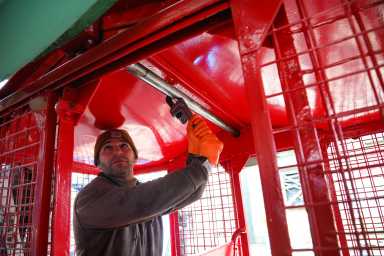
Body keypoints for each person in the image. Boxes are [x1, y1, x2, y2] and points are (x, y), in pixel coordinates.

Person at [73, 115, 223, 256]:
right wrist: (204, 165)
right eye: (108, 148)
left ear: (135, 157)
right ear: (97, 162)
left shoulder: (147, 196)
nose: (118, 151)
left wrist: (197, 155)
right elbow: (142, 202)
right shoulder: (90, 198)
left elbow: (192, 194)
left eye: (124, 146)